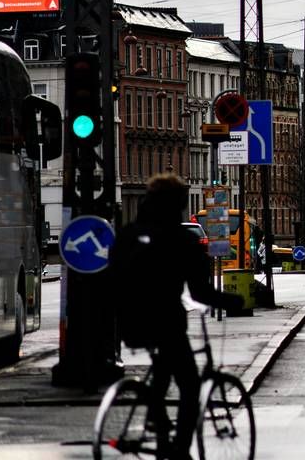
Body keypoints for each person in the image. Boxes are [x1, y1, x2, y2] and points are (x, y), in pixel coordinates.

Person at [111, 174, 242, 459]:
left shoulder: (128, 234)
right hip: (167, 324)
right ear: (180, 204)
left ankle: (158, 423)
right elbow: (200, 293)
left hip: (129, 323)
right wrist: (233, 300)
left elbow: (112, 276)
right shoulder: (182, 239)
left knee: (162, 370)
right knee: (190, 386)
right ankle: (180, 450)